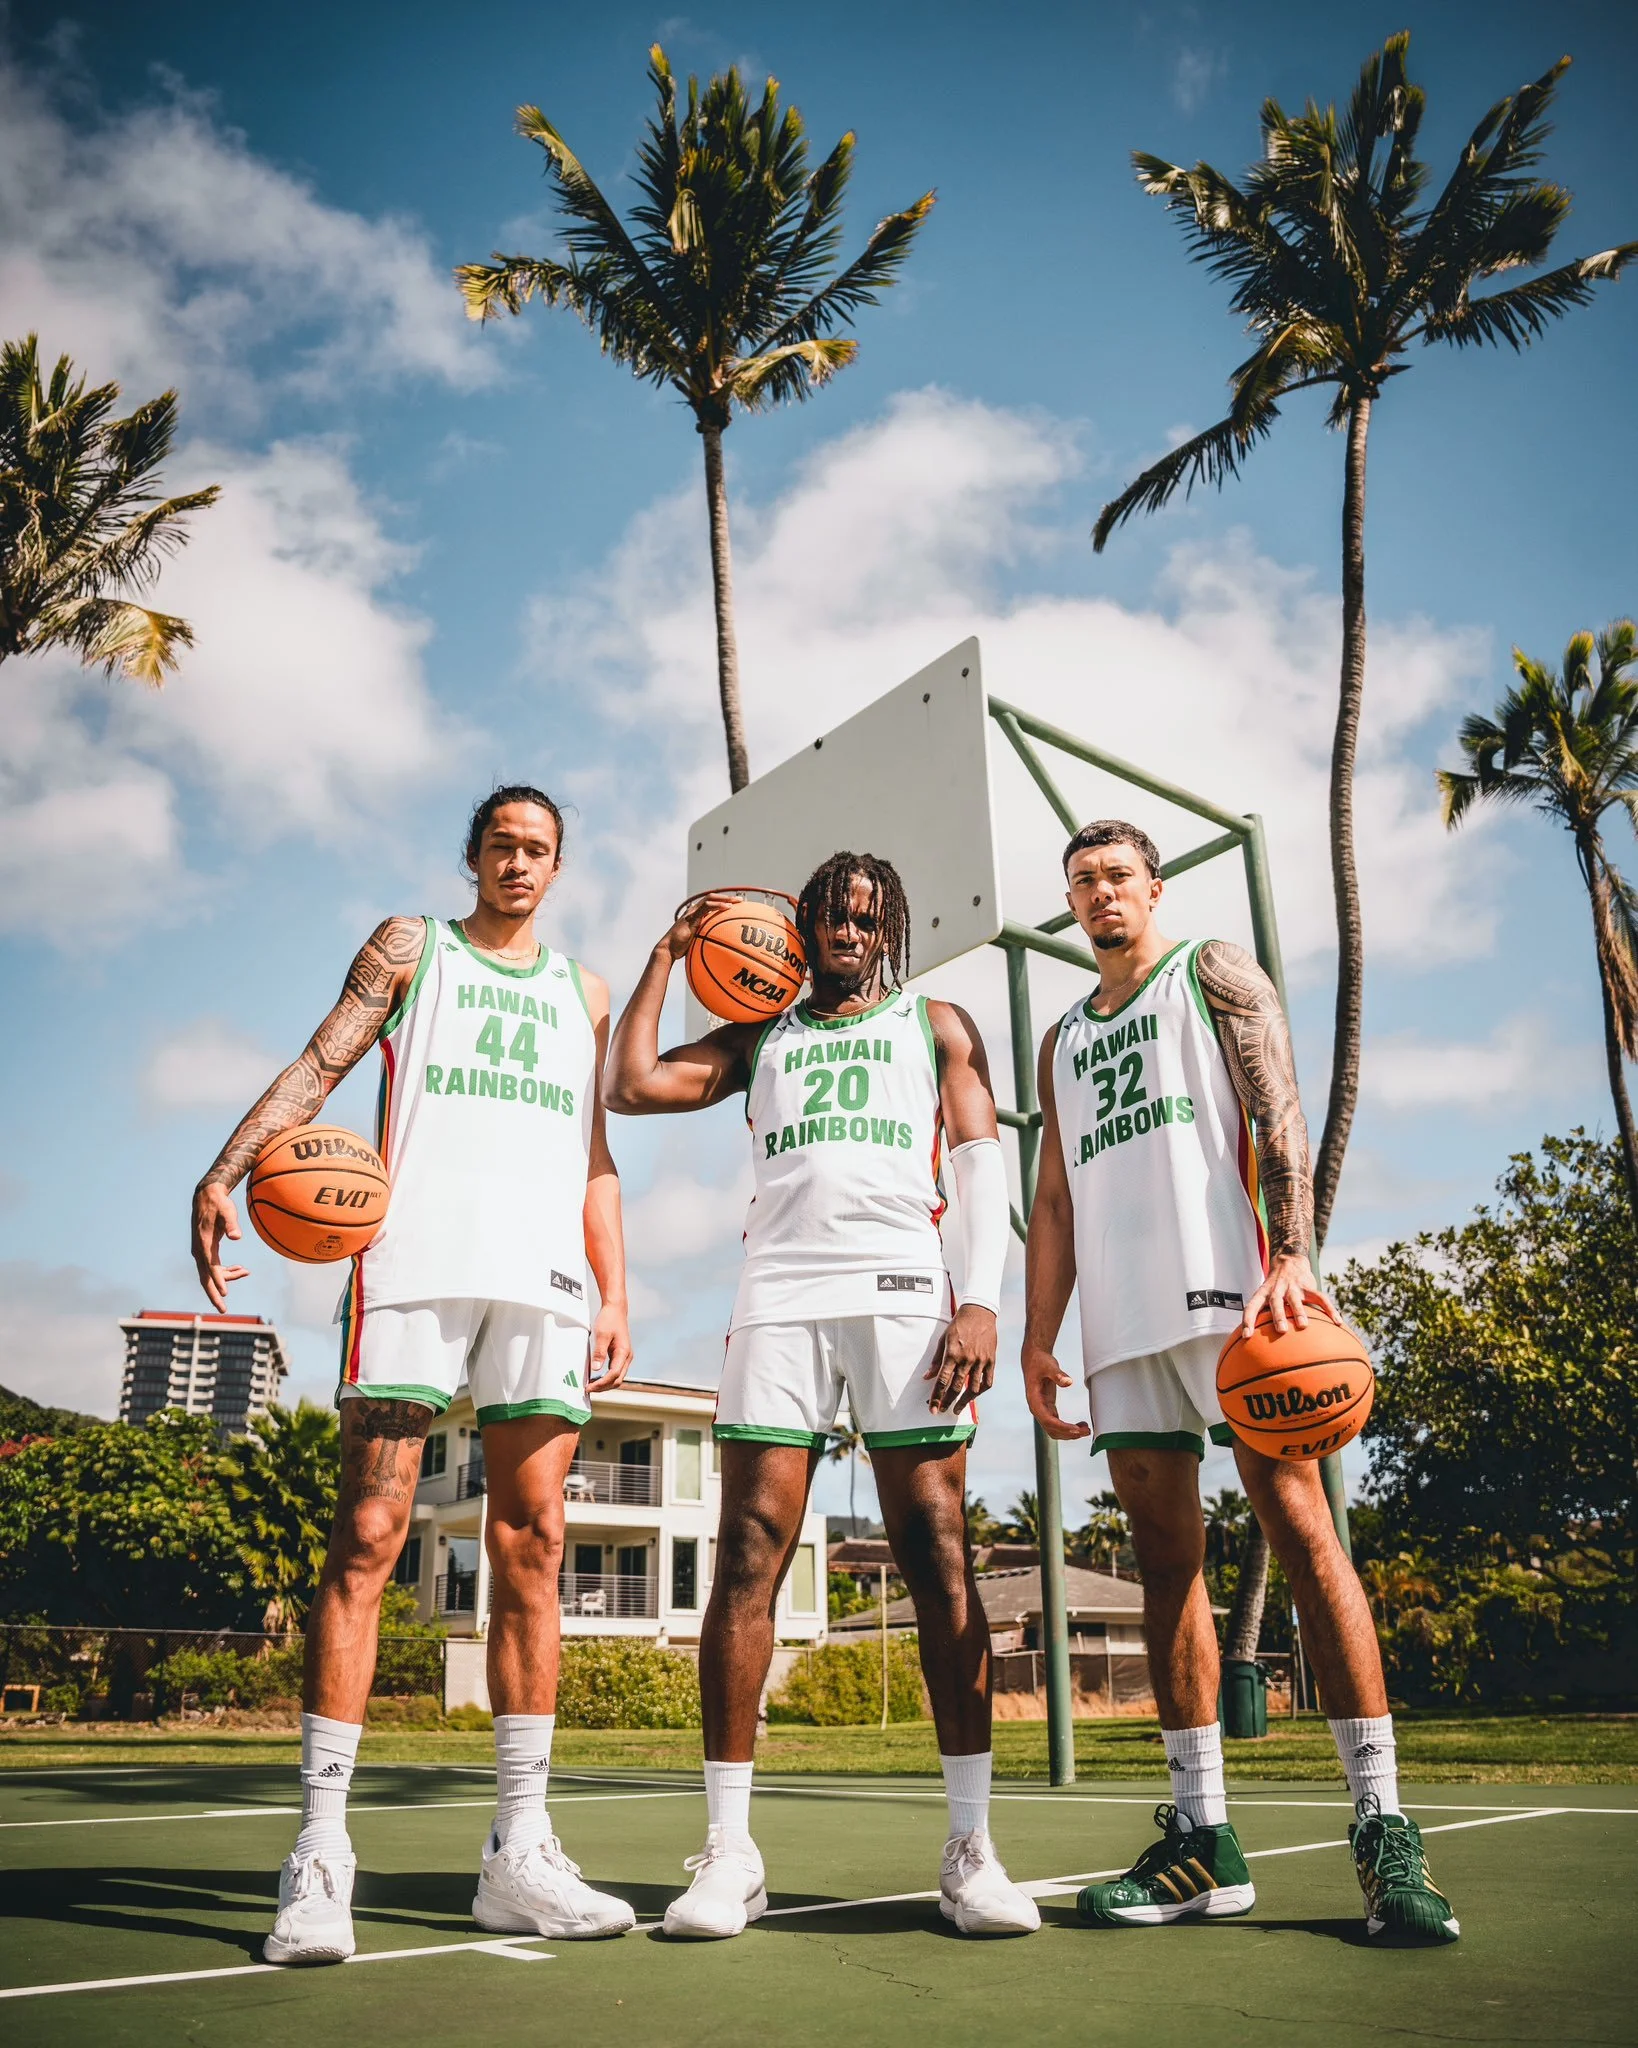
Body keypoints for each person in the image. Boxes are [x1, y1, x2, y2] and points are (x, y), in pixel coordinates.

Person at [191, 786, 637, 1963]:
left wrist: (617, 1289)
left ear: (559, 864)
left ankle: (520, 1850)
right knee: (370, 1535)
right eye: (502, 846)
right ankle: (323, 1849)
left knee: (534, 1544)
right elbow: (322, 1060)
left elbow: (594, 1152)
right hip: (413, 1269)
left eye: (539, 850)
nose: (520, 865)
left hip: (543, 1284)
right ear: (474, 856)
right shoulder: (411, 946)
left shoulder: (583, 990)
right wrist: (228, 1167)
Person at [1022, 820, 1460, 1945]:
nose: (1101, 892)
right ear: (1069, 900)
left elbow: (1278, 1112)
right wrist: (1039, 1334)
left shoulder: (1209, 970)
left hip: (1235, 1305)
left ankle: (1382, 1827)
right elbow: (1058, 1201)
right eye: (1083, 880)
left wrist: (1295, 1254)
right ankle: (1204, 1839)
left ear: (1153, 886)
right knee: (1167, 1565)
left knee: (1306, 1530)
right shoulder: (1063, 1035)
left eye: (1118, 874)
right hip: (1122, 1325)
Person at [604, 854, 1038, 1939]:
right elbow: (632, 1083)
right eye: (830, 914)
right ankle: (728, 1850)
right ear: (800, 927)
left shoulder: (937, 1023)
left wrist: (981, 1301)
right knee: (748, 1547)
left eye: (864, 914)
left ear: (890, 923)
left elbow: (984, 1165)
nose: (846, 928)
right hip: (782, 1290)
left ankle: (972, 1849)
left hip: (904, 1290)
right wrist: (667, 952)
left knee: (937, 1545)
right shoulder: (763, 1036)